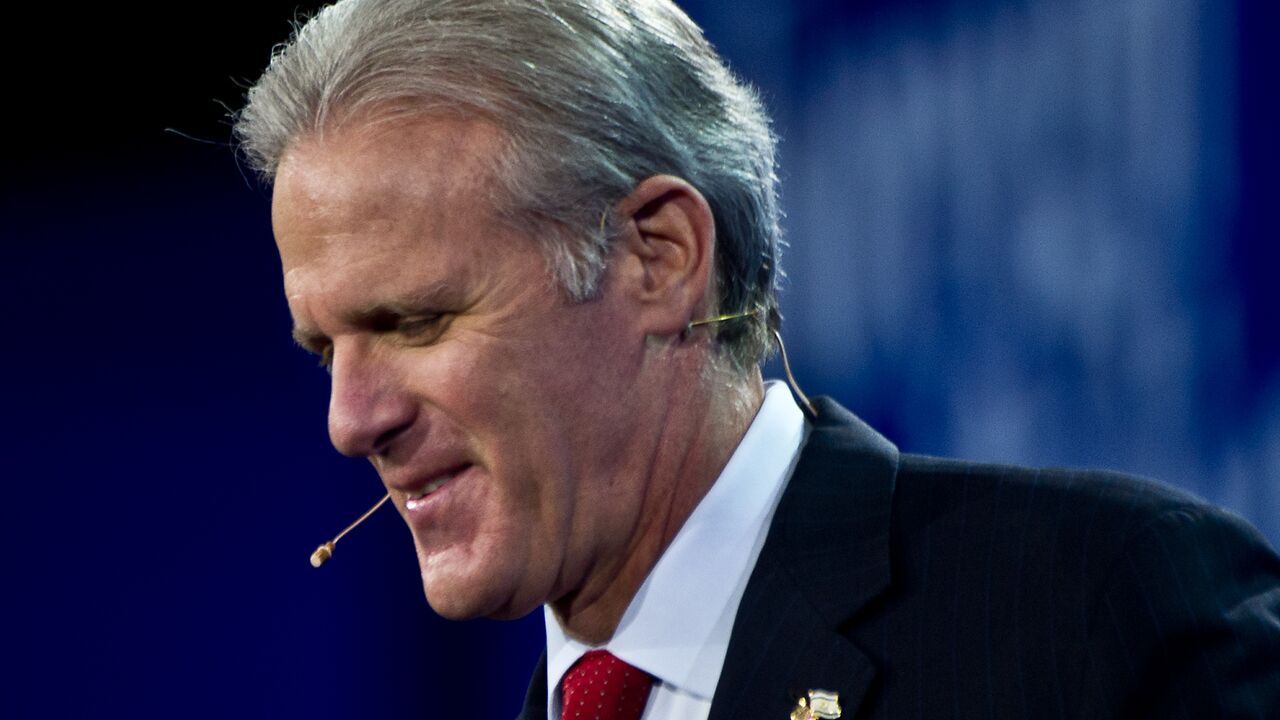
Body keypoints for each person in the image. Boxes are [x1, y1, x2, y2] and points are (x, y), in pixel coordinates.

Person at [236, 0, 1280, 717]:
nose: (349, 418)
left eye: (415, 321)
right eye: (325, 347)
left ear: (658, 257)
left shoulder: (1091, 612)